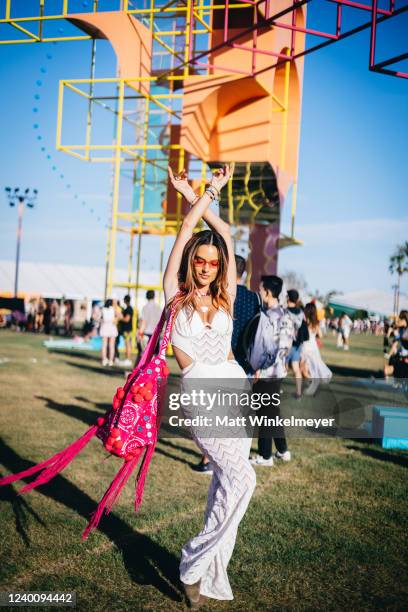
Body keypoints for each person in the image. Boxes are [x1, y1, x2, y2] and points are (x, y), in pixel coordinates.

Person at [165, 164, 256, 607]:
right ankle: (193, 562)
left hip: (233, 389)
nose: (205, 267)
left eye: (212, 262)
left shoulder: (226, 296)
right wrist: (197, 196)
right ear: (190, 264)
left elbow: (229, 239)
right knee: (245, 478)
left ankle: (212, 572)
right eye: (198, 261)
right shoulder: (173, 296)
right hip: (199, 394)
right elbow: (188, 229)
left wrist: (211, 193)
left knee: (226, 482)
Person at [249, 275, 294, 466]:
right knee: (272, 412)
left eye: (261, 289)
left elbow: (270, 347)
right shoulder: (285, 315)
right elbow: (286, 347)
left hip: (267, 374)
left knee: (265, 414)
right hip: (278, 372)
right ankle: (283, 451)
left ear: (267, 292)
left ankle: (265, 456)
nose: (259, 292)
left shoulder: (268, 316)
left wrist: (260, 367)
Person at [301, 302, 332, 396]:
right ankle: (311, 383)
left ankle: (312, 383)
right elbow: (321, 335)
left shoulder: (304, 322)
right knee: (312, 366)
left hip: (305, 346)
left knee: (304, 366)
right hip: (313, 346)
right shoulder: (316, 322)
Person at [286, 288, 309, 399]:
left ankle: (275, 392)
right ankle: (298, 392)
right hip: (297, 346)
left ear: (288, 298)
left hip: (285, 345)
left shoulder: (284, 311)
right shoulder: (301, 313)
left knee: (282, 369)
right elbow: (305, 332)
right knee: (296, 368)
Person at [136, 290, 162, 358]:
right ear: (154, 296)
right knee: (155, 354)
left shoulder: (145, 307)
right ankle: (152, 368)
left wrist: (140, 333)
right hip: (156, 333)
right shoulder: (158, 307)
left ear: (146, 296)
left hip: (147, 333)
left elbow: (144, 321)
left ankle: (146, 368)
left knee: (145, 354)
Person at [100, 299, 118, 367]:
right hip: (112, 327)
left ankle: (104, 360)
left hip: (105, 327)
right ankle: (110, 360)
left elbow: (99, 318)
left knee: (104, 345)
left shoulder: (103, 309)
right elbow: (119, 316)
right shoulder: (113, 309)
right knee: (111, 346)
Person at [120, 294, 134, 366]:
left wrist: (120, 317)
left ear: (125, 300)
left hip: (127, 330)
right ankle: (127, 359)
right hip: (127, 330)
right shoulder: (128, 308)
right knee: (127, 344)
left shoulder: (129, 309)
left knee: (127, 344)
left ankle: (128, 359)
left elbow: (127, 319)